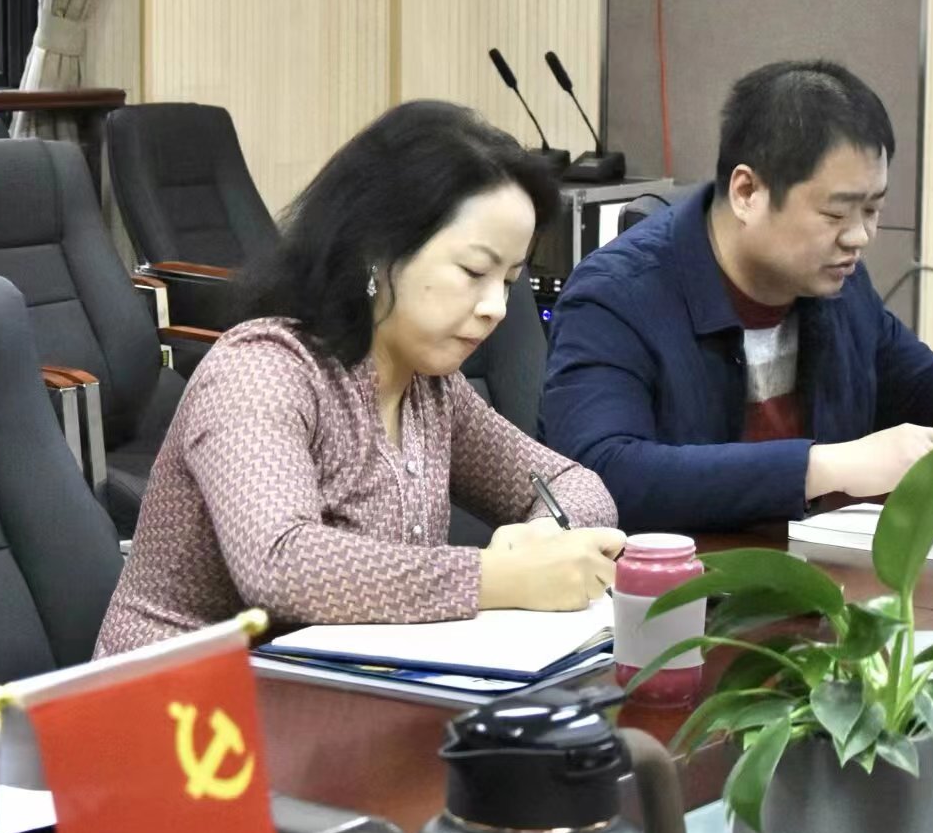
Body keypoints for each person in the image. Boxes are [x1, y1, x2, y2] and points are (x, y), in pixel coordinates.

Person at [95, 101, 625, 655]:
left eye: (509, 280)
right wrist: (496, 577)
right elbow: (280, 564)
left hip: (338, 681)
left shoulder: (428, 386)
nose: (496, 307)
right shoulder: (261, 370)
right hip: (182, 690)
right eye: (474, 271)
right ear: (377, 248)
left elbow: (573, 485)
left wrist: (542, 539)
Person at [541, 60, 933, 532]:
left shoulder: (836, 283)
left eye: (873, 209)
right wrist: (824, 467)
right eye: (836, 213)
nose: (860, 237)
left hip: (819, 575)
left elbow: (910, 382)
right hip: (683, 597)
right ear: (748, 191)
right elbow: (602, 472)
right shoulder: (617, 296)